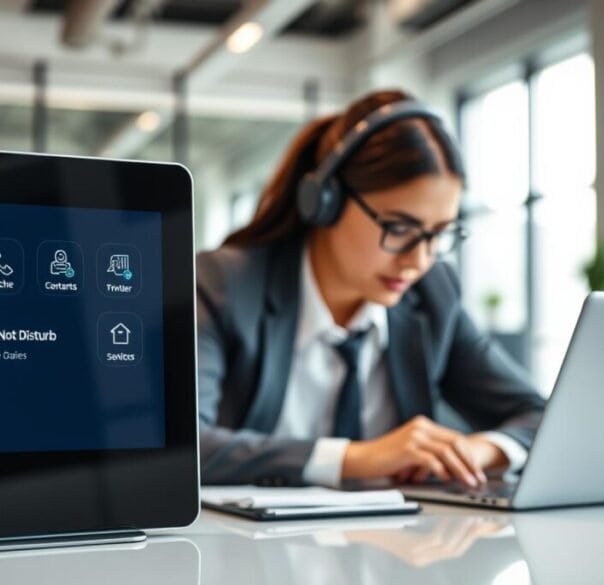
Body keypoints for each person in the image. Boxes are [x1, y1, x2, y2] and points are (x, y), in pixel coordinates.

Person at [197, 89, 546, 488]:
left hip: (392, 544)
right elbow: (185, 446)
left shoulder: (433, 294)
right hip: (241, 546)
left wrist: (476, 452)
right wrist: (358, 458)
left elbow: (539, 415)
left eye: (438, 234)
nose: (418, 260)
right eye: (399, 228)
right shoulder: (225, 284)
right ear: (325, 202)